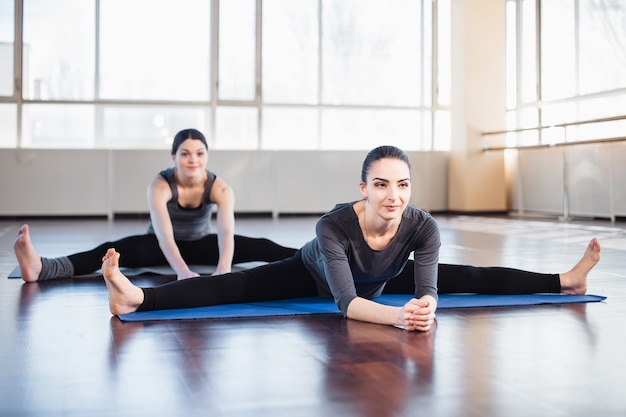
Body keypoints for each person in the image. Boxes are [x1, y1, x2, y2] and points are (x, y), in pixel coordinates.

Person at [101, 145, 601, 331]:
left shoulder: (422, 226)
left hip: (383, 279)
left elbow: (429, 288)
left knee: (470, 276)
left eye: (402, 185)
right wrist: (398, 319)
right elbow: (346, 303)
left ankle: (566, 282)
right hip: (315, 273)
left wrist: (424, 306)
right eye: (381, 184)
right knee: (228, 287)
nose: (393, 195)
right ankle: (138, 297)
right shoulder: (333, 226)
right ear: (363, 189)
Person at [13, 128, 297, 282]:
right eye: (185, 153)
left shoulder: (220, 188)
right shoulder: (160, 185)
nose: (193, 159)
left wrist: (223, 269)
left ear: (207, 156)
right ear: (173, 157)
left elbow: (225, 234)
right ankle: (41, 268)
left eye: (199, 153)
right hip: (157, 243)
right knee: (107, 251)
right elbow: (164, 236)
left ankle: (317, 258)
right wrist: (183, 272)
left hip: (201, 241)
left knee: (262, 246)